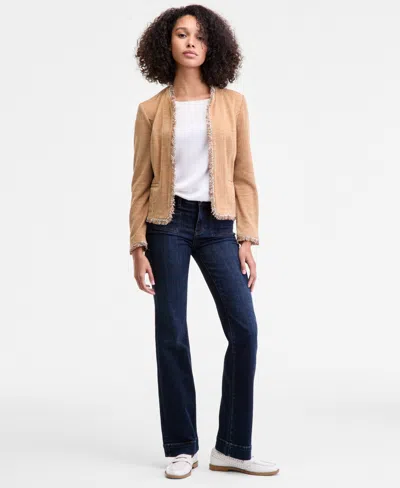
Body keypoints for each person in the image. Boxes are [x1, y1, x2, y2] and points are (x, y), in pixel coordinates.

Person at [129, 4, 279, 479]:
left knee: (245, 330)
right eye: (181, 34)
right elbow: (140, 182)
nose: (191, 42)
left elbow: (244, 175)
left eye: (199, 36)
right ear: (166, 44)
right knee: (172, 333)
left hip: (218, 226)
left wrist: (246, 239)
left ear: (213, 46)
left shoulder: (233, 104)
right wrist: (137, 246)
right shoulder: (151, 110)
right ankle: (181, 446)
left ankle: (232, 447)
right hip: (166, 224)